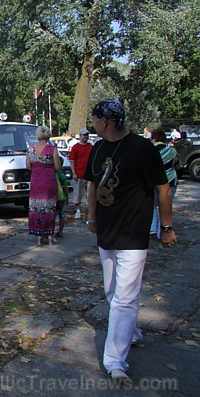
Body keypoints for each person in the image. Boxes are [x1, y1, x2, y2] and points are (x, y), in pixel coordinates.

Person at [84, 98, 176, 383]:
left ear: (106, 121)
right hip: (106, 233)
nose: (93, 124)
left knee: (125, 299)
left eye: (95, 119)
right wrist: (92, 218)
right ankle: (130, 331)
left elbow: (163, 189)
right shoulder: (98, 148)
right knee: (112, 292)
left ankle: (115, 362)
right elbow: (92, 185)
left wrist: (166, 227)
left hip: (134, 235)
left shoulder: (142, 149)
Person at [26, 125, 62, 245]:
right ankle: (50, 235)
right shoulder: (52, 149)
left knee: (36, 207)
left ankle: (39, 236)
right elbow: (57, 167)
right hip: (49, 182)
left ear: (37, 136)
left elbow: (28, 166)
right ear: (48, 135)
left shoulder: (31, 149)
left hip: (36, 182)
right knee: (49, 208)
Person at [149, 127, 179, 238]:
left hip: (153, 182)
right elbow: (178, 165)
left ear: (154, 138)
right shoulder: (172, 151)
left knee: (153, 206)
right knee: (166, 206)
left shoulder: (149, 150)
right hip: (170, 181)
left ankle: (152, 229)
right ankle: (163, 231)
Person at [68, 129, 93, 219]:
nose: (85, 137)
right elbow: (72, 161)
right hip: (79, 173)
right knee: (77, 194)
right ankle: (78, 210)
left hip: (89, 174)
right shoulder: (75, 147)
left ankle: (91, 211)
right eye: (84, 135)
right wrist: (74, 173)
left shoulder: (90, 146)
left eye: (87, 135)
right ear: (80, 136)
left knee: (90, 193)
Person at [55, 170, 68, 238]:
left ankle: (50, 231)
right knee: (62, 215)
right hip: (62, 197)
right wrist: (67, 198)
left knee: (53, 216)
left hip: (54, 198)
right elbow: (65, 188)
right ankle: (60, 231)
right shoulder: (62, 175)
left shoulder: (53, 174)